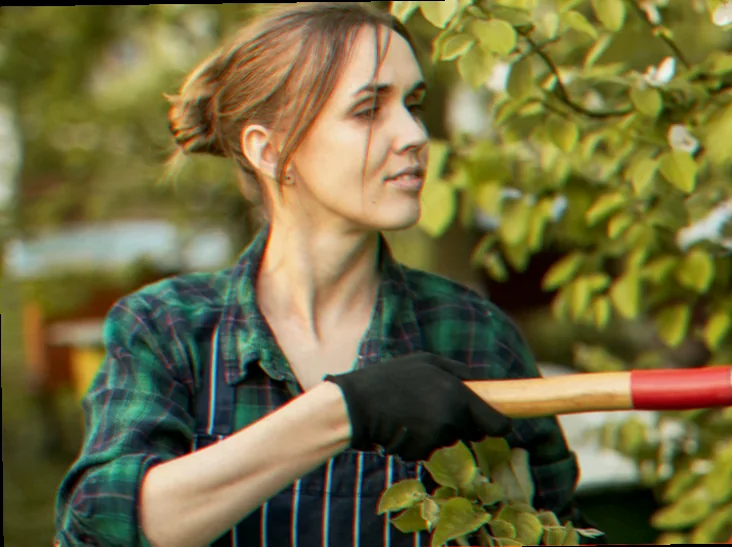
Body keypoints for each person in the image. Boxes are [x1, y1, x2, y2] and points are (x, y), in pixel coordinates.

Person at [54, 3, 588, 546]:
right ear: (269, 150)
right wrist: (345, 410)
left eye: (414, 104)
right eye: (367, 110)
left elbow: (557, 529)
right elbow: (99, 529)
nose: (414, 134)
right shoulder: (167, 328)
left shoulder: (475, 333)